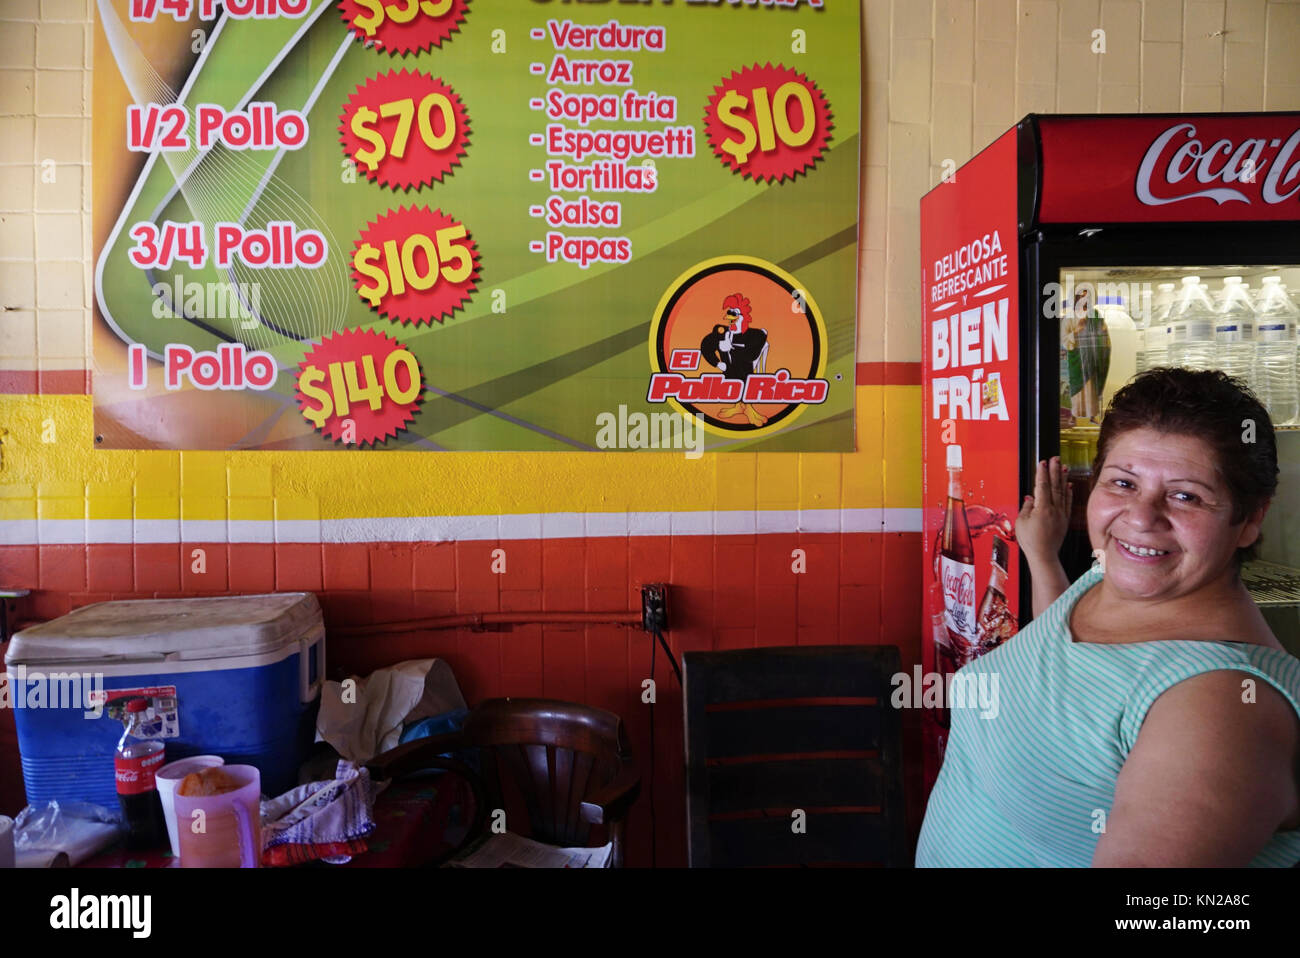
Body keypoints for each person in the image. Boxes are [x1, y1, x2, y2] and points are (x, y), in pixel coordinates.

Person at [916, 368, 1300, 866]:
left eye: (1185, 495)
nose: (1140, 518)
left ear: (1250, 520)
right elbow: (1064, 670)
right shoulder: (1112, 579)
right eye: (1123, 483)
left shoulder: (1221, 706)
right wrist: (1042, 557)